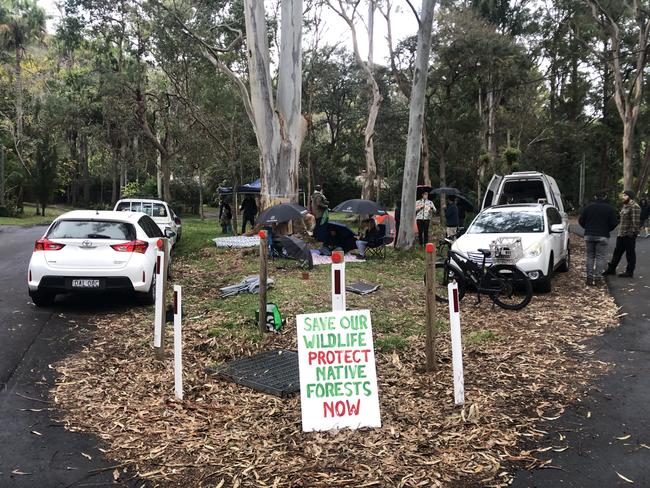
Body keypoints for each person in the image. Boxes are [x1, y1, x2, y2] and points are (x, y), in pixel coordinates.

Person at [578, 190, 618, 286]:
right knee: (600, 257)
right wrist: (607, 229)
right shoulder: (610, 209)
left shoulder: (588, 208)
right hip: (603, 235)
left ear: (595, 197)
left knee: (590, 256)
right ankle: (598, 278)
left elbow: (581, 220)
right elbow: (614, 223)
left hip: (589, 235)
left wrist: (587, 227)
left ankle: (589, 278)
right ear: (605, 197)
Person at [604, 190, 641, 278]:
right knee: (617, 252)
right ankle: (611, 269)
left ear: (630, 196)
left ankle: (629, 271)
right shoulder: (625, 205)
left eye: (625, 195)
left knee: (630, 254)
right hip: (621, 234)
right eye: (623, 195)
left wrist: (631, 233)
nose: (623, 197)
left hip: (628, 235)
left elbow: (635, 223)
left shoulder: (634, 206)